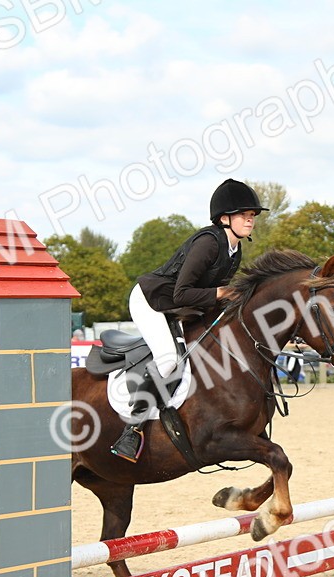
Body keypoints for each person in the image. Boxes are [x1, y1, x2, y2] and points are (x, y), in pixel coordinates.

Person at [110, 178, 269, 462]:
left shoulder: (234, 249)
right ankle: (132, 430)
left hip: (180, 307)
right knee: (169, 360)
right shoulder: (208, 243)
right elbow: (183, 291)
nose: (250, 220)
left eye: (252, 216)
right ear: (224, 219)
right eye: (245, 215)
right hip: (153, 302)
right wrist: (221, 292)